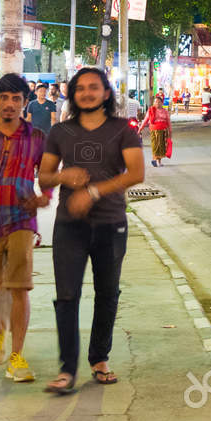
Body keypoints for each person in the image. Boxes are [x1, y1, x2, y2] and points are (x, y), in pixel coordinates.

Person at [38, 67, 145, 394]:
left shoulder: (122, 130)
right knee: (66, 295)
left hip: (110, 223)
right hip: (69, 225)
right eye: (80, 88)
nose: (87, 93)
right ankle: (67, 369)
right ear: (72, 94)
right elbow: (44, 176)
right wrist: (63, 177)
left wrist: (94, 192)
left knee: (107, 292)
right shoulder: (60, 132)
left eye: (93, 87)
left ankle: (99, 358)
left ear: (105, 93)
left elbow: (136, 173)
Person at [0, 73, 52, 383]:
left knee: (20, 288)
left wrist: (45, 196)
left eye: (16, 99)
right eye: (4, 98)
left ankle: (16, 356)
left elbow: (48, 172)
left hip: (21, 219)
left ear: (25, 103)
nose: (10, 104)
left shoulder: (36, 137)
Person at [141, 93, 172, 166]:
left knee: (161, 146)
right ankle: (155, 159)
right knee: (155, 145)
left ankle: (159, 161)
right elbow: (145, 121)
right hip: (154, 130)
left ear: (162, 103)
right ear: (153, 103)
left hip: (163, 131)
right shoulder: (151, 110)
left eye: (159, 102)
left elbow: (168, 122)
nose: (157, 103)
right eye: (155, 102)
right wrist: (140, 129)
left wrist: (170, 131)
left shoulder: (165, 111)